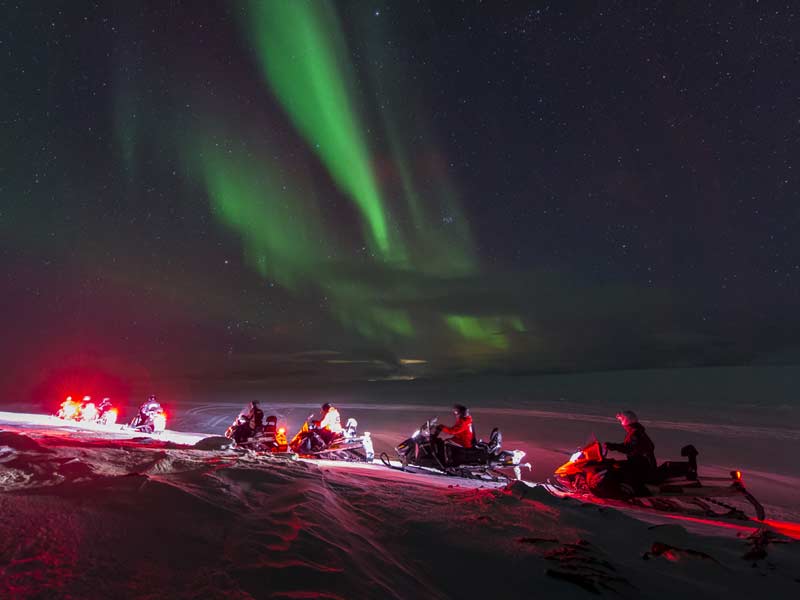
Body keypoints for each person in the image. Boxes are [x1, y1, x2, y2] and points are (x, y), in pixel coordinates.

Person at [604, 410, 657, 483]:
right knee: (616, 465)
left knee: (616, 468)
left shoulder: (635, 433)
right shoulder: (635, 431)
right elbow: (628, 446)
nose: (621, 423)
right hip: (641, 462)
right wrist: (613, 445)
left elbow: (629, 448)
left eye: (621, 420)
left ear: (626, 421)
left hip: (640, 464)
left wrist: (613, 446)